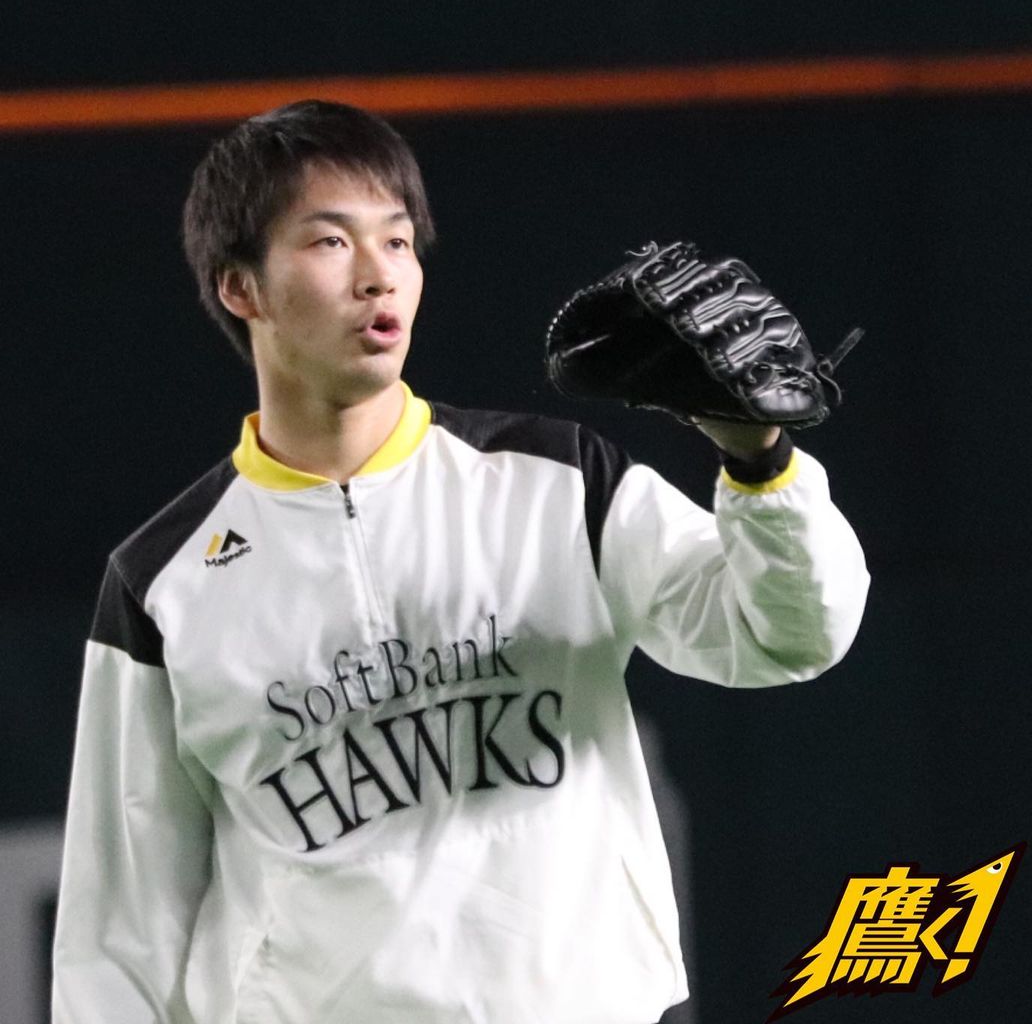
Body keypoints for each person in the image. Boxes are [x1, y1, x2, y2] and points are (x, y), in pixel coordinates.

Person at [51, 100, 869, 1024]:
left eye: (398, 242)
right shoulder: (163, 581)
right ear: (242, 288)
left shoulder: (557, 480)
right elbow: (120, 937)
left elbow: (786, 636)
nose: (379, 276)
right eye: (331, 242)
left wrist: (761, 465)